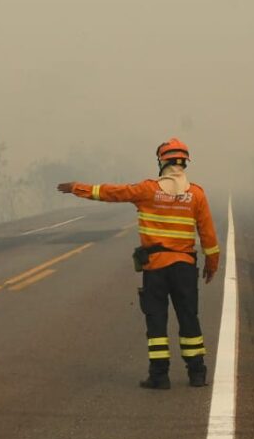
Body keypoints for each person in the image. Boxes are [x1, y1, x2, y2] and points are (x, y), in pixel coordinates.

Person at [56, 138, 219, 389]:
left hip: (155, 267)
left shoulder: (147, 190)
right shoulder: (196, 194)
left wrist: (79, 187)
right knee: (189, 318)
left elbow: (113, 192)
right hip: (185, 267)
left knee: (156, 320)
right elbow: (208, 234)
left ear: (162, 162)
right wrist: (212, 263)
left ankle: (159, 375)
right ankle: (197, 373)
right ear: (184, 162)